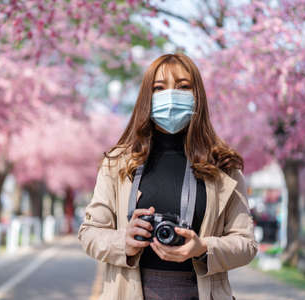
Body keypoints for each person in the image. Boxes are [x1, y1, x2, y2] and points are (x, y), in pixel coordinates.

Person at [78, 53, 258, 300]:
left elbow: (246, 244)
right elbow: (90, 232)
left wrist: (202, 248)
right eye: (159, 88)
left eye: (183, 87)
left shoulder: (223, 166)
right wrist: (124, 241)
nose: (171, 96)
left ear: (197, 97)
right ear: (146, 98)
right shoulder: (118, 163)